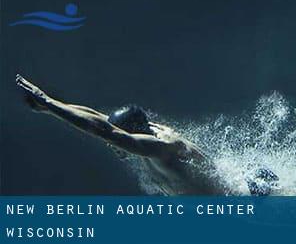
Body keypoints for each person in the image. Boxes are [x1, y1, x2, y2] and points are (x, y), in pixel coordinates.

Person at [15, 74, 278, 195]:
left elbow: (105, 131)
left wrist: (48, 103)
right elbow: (99, 119)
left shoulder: (162, 148)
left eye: (115, 140)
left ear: (132, 134)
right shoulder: (146, 133)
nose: (110, 145)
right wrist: (51, 107)